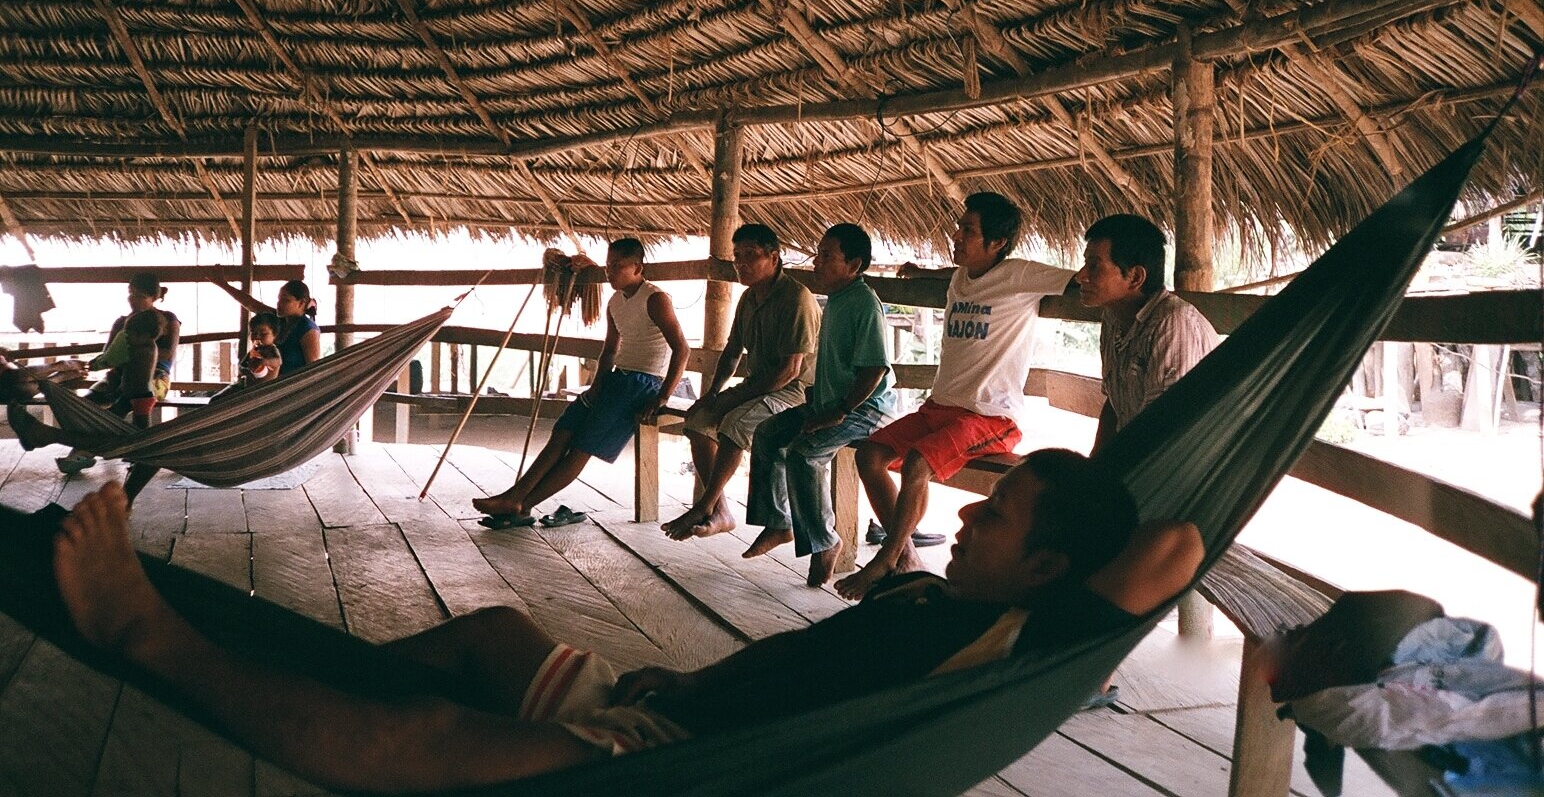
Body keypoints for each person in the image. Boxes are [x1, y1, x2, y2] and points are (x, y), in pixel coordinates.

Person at [50, 451, 1204, 791]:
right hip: (686, 712)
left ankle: (152, 636)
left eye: (997, 515)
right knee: (489, 633)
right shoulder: (937, 597)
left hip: (695, 770)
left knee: (433, 751)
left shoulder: (1013, 640)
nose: (965, 513)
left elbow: (1176, 546)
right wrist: (683, 684)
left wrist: (686, 717)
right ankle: (298, 681)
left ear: (1048, 565)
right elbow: (797, 663)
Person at [839, 192, 1074, 600]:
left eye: (968, 230)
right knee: (869, 455)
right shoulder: (961, 276)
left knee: (917, 463)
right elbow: (952, 274)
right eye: (959, 227)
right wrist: (917, 274)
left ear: (998, 243)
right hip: (940, 407)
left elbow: (1079, 279)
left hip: (990, 417)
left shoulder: (1020, 274)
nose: (957, 235)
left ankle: (885, 560)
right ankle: (907, 557)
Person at [473, 238, 690, 528]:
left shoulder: (655, 298)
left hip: (642, 382)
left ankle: (523, 504)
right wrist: (597, 385)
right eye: (608, 265)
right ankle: (516, 495)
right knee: (564, 429)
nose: (609, 272)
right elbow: (610, 350)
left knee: (581, 447)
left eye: (618, 266)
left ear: (637, 267)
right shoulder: (615, 301)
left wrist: (662, 398)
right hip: (616, 379)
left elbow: (682, 349)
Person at [742, 223, 897, 585]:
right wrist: (820, 398)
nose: (817, 262)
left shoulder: (863, 303)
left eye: (827, 256)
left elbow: (874, 368)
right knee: (767, 432)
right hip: (831, 403)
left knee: (804, 452)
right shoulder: (837, 299)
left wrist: (838, 411)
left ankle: (824, 541)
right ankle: (779, 523)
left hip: (865, 409)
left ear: (854, 264)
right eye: (818, 254)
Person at [662, 224, 820, 541]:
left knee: (734, 423)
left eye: (750, 255)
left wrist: (734, 399)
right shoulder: (748, 297)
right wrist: (713, 394)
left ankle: (703, 505)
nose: (741, 263)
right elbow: (733, 352)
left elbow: (790, 371)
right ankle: (720, 510)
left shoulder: (796, 298)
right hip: (760, 386)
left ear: (774, 258)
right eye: (737, 256)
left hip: (796, 394)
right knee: (698, 420)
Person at [1076, 215, 1221, 456]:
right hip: (1142, 460)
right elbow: (1115, 403)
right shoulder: (1113, 318)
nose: (1081, 275)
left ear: (1135, 277)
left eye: (1094, 266)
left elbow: (1163, 432)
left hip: (1180, 468)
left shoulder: (1173, 324)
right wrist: (1095, 464)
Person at [8, 308, 168, 501]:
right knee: (117, 422)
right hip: (130, 394)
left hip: (140, 396)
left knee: (139, 433)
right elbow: (122, 367)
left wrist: (107, 364)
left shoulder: (145, 349)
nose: (129, 337)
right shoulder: (140, 345)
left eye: (133, 335)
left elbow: (128, 371)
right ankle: (118, 450)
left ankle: (137, 456)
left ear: (148, 336)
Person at [85, 271, 180, 414]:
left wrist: (132, 355)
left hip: (155, 379)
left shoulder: (167, 319)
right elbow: (108, 353)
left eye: (140, 296)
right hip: (118, 377)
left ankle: (117, 429)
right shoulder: (121, 322)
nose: (133, 299)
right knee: (87, 403)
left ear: (153, 297)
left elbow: (167, 353)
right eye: (131, 294)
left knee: (127, 399)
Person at [210, 278, 321, 376]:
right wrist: (223, 284)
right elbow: (250, 303)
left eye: (285, 300)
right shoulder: (278, 320)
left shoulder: (308, 329)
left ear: (301, 303)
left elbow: (313, 369)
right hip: (269, 385)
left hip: (289, 389)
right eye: (279, 299)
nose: (278, 304)